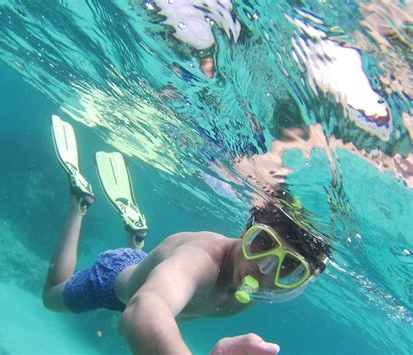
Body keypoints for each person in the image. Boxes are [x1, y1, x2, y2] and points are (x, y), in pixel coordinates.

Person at [43, 115, 331, 354]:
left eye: (289, 267)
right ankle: (79, 203)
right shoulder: (201, 258)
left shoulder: (249, 294)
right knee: (52, 298)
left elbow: (170, 311)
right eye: (263, 243)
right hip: (110, 280)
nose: (264, 268)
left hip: (148, 276)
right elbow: (145, 307)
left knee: (122, 326)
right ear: (245, 232)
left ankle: (136, 239)